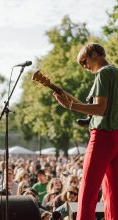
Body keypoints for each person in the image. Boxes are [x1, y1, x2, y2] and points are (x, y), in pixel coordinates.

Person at [52, 42, 118, 220]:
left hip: (102, 137)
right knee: (113, 193)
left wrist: (71, 105)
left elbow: (100, 109)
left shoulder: (103, 73)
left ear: (95, 54)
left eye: (84, 61)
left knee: (87, 192)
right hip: (116, 138)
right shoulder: (116, 72)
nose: (84, 66)